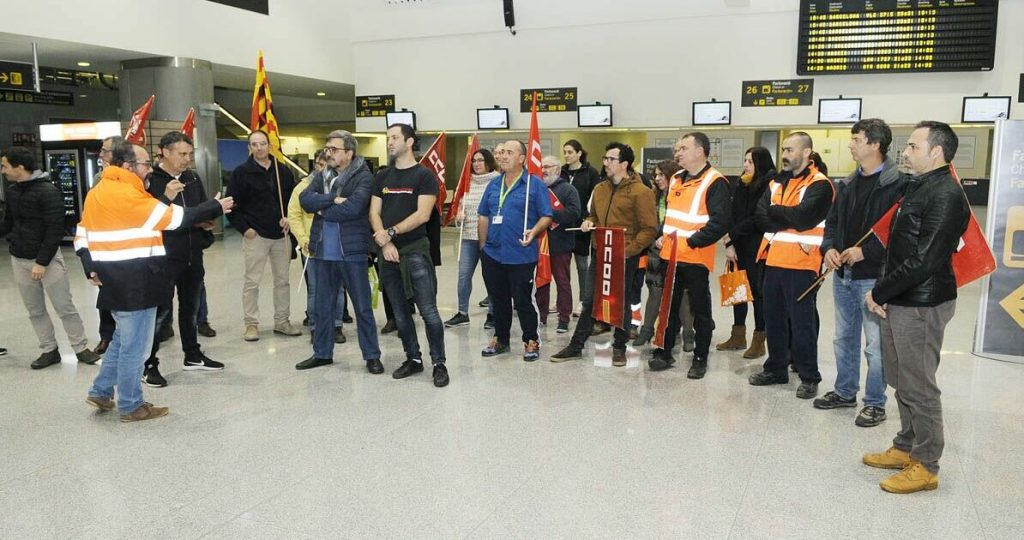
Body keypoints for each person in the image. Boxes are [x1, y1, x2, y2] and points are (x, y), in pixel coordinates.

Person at [76, 140, 232, 421]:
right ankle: (131, 405)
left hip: (115, 278)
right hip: (136, 280)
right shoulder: (127, 194)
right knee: (136, 346)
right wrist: (215, 206)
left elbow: (83, 233)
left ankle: (100, 390)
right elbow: (173, 219)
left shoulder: (100, 191)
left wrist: (90, 266)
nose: (149, 168)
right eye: (145, 163)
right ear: (127, 166)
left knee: (123, 339)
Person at [863, 121, 969, 494]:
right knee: (902, 379)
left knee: (919, 385)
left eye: (912, 146)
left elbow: (925, 260)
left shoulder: (946, 194)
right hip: (902, 298)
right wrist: (888, 292)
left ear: (936, 152)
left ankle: (926, 465)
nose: (904, 152)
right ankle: (906, 445)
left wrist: (880, 292)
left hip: (922, 303)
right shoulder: (919, 187)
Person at [815, 119, 907, 427]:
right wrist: (828, 248)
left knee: (875, 345)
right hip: (844, 276)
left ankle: (875, 403)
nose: (851, 145)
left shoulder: (899, 186)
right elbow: (832, 223)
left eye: (856, 139)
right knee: (844, 338)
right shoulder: (847, 183)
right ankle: (844, 392)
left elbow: (901, 235)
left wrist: (866, 252)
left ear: (875, 145)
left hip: (874, 277)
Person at [551, 143, 658, 366]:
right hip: (600, 252)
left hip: (625, 255)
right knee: (589, 300)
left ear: (624, 164)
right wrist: (588, 223)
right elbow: (594, 217)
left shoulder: (641, 192)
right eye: (605, 158)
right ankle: (576, 345)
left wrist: (627, 251)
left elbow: (649, 229)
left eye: (611, 159)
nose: (605, 163)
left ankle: (619, 347)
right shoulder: (600, 189)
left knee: (622, 301)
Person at [748, 132, 834, 399]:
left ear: (807, 153)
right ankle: (776, 368)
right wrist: (783, 215)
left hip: (802, 262)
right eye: (783, 149)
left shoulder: (820, 184)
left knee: (802, 322)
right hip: (773, 260)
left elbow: (804, 218)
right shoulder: (775, 182)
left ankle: (809, 376)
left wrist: (777, 212)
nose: (784, 155)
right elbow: (760, 216)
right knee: (773, 318)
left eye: (790, 150)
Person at [139, 131, 227, 387]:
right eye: (182, 154)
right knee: (160, 311)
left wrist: (206, 220)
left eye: (190, 154)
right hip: (163, 257)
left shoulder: (192, 177)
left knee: (191, 306)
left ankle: (192, 355)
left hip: (192, 252)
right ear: (165, 152)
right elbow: (149, 217)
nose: (187, 159)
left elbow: (196, 209)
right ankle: (148, 363)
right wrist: (166, 195)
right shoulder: (150, 180)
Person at [1, 146, 100, 369]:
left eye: (5, 166)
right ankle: (49, 349)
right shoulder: (13, 191)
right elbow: (9, 223)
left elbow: (55, 229)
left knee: (64, 307)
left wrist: (41, 262)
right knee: (35, 310)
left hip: (47, 260)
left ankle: (81, 348)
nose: (3, 171)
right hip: (19, 259)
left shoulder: (49, 191)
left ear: (20, 167)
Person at [297, 130, 382, 374]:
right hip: (323, 252)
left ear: (349, 153)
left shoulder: (364, 177)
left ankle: (372, 355)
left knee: (362, 308)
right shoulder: (322, 174)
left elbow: (354, 209)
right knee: (323, 308)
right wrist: (332, 200)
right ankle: (322, 353)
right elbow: (305, 200)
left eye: (333, 149)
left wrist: (322, 207)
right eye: (327, 149)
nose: (328, 153)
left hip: (352, 253)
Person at [370, 123, 449, 388]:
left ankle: (439, 363)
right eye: (388, 138)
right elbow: (373, 212)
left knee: (428, 311)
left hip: (415, 251)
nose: (390, 142)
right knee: (400, 314)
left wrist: (390, 233)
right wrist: (384, 241)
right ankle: (413, 359)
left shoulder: (424, 176)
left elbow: (422, 215)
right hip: (388, 253)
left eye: (394, 137)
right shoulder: (382, 176)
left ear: (409, 142)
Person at [648, 133, 732, 378]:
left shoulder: (715, 181)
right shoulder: (675, 179)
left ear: (700, 151)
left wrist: (693, 241)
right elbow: (672, 215)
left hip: (695, 257)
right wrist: (664, 233)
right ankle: (664, 352)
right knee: (669, 307)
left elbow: (720, 222)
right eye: (677, 149)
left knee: (700, 310)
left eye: (683, 148)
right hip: (670, 256)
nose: (678, 153)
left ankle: (700, 358)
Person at [477, 141, 554, 360]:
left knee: (522, 301)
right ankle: (500, 339)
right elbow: (483, 215)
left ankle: (531, 340)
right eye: (501, 152)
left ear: (522, 159)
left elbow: (546, 216)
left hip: (521, 254)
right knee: (498, 300)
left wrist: (534, 231)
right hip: (493, 254)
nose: (502, 156)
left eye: (509, 152)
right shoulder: (493, 185)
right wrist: (483, 246)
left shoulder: (534, 184)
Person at [226, 130, 301, 342]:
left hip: (281, 234)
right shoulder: (241, 173)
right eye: (254, 144)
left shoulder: (282, 171)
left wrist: (290, 219)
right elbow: (231, 205)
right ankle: (251, 324)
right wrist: (245, 229)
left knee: (283, 281)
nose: (259, 148)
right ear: (249, 148)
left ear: (270, 146)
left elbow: (292, 202)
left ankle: (282, 321)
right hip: (255, 235)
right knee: (252, 282)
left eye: (262, 144)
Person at [716, 147, 775, 359]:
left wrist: (731, 235)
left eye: (750, 161)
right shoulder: (741, 183)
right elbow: (732, 213)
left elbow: (757, 217)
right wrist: (729, 243)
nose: (746, 165)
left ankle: (759, 341)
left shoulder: (769, 184)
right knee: (737, 291)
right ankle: (738, 335)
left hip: (757, 246)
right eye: (745, 160)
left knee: (757, 294)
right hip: (737, 245)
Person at [289, 150, 347, 344]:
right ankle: (315, 326)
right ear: (316, 165)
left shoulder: (341, 186)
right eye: (322, 165)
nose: (325, 169)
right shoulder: (303, 188)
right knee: (315, 289)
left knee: (338, 289)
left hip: (337, 244)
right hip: (312, 246)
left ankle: (337, 325)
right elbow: (294, 216)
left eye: (329, 165)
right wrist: (303, 238)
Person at [633, 159, 688, 347]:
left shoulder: (681, 196)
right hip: (655, 252)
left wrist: (667, 237)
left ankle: (689, 334)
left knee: (679, 294)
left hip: (677, 251)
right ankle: (647, 330)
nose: (657, 179)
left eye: (661, 175)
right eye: (655, 175)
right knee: (654, 291)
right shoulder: (652, 197)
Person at [445, 148, 500, 328]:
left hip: (490, 239)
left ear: (489, 162)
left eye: (480, 160)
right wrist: (459, 217)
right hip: (468, 238)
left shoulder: (498, 181)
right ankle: (462, 313)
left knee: (490, 277)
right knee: (463, 276)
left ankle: (493, 313)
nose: (476, 164)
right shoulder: (467, 184)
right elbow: (461, 209)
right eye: (474, 161)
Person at [535, 155, 581, 333]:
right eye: (542, 167)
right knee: (541, 281)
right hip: (539, 243)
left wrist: (549, 215)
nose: (544, 170)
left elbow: (575, 212)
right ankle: (541, 315)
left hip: (560, 244)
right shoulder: (537, 188)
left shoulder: (568, 190)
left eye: (548, 166)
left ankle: (564, 317)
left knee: (562, 281)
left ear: (557, 169)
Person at [561, 140, 601, 317]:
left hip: (581, 226)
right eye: (565, 152)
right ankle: (563, 301)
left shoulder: (590, 173)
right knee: (562, 266)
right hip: (562, 225)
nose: (567, 155)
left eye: (570, 152)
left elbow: (595, 198)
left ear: (579, 153)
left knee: (582, 265)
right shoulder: (561, 172)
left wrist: (588, 218)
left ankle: (584, 301)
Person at [94, 136, 118, 354]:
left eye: (105, 150)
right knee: (105, 297)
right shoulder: (97, 179)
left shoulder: (132, 179)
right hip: (104, 250)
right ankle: (106, 336)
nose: (100, 154)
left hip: (128, 248)